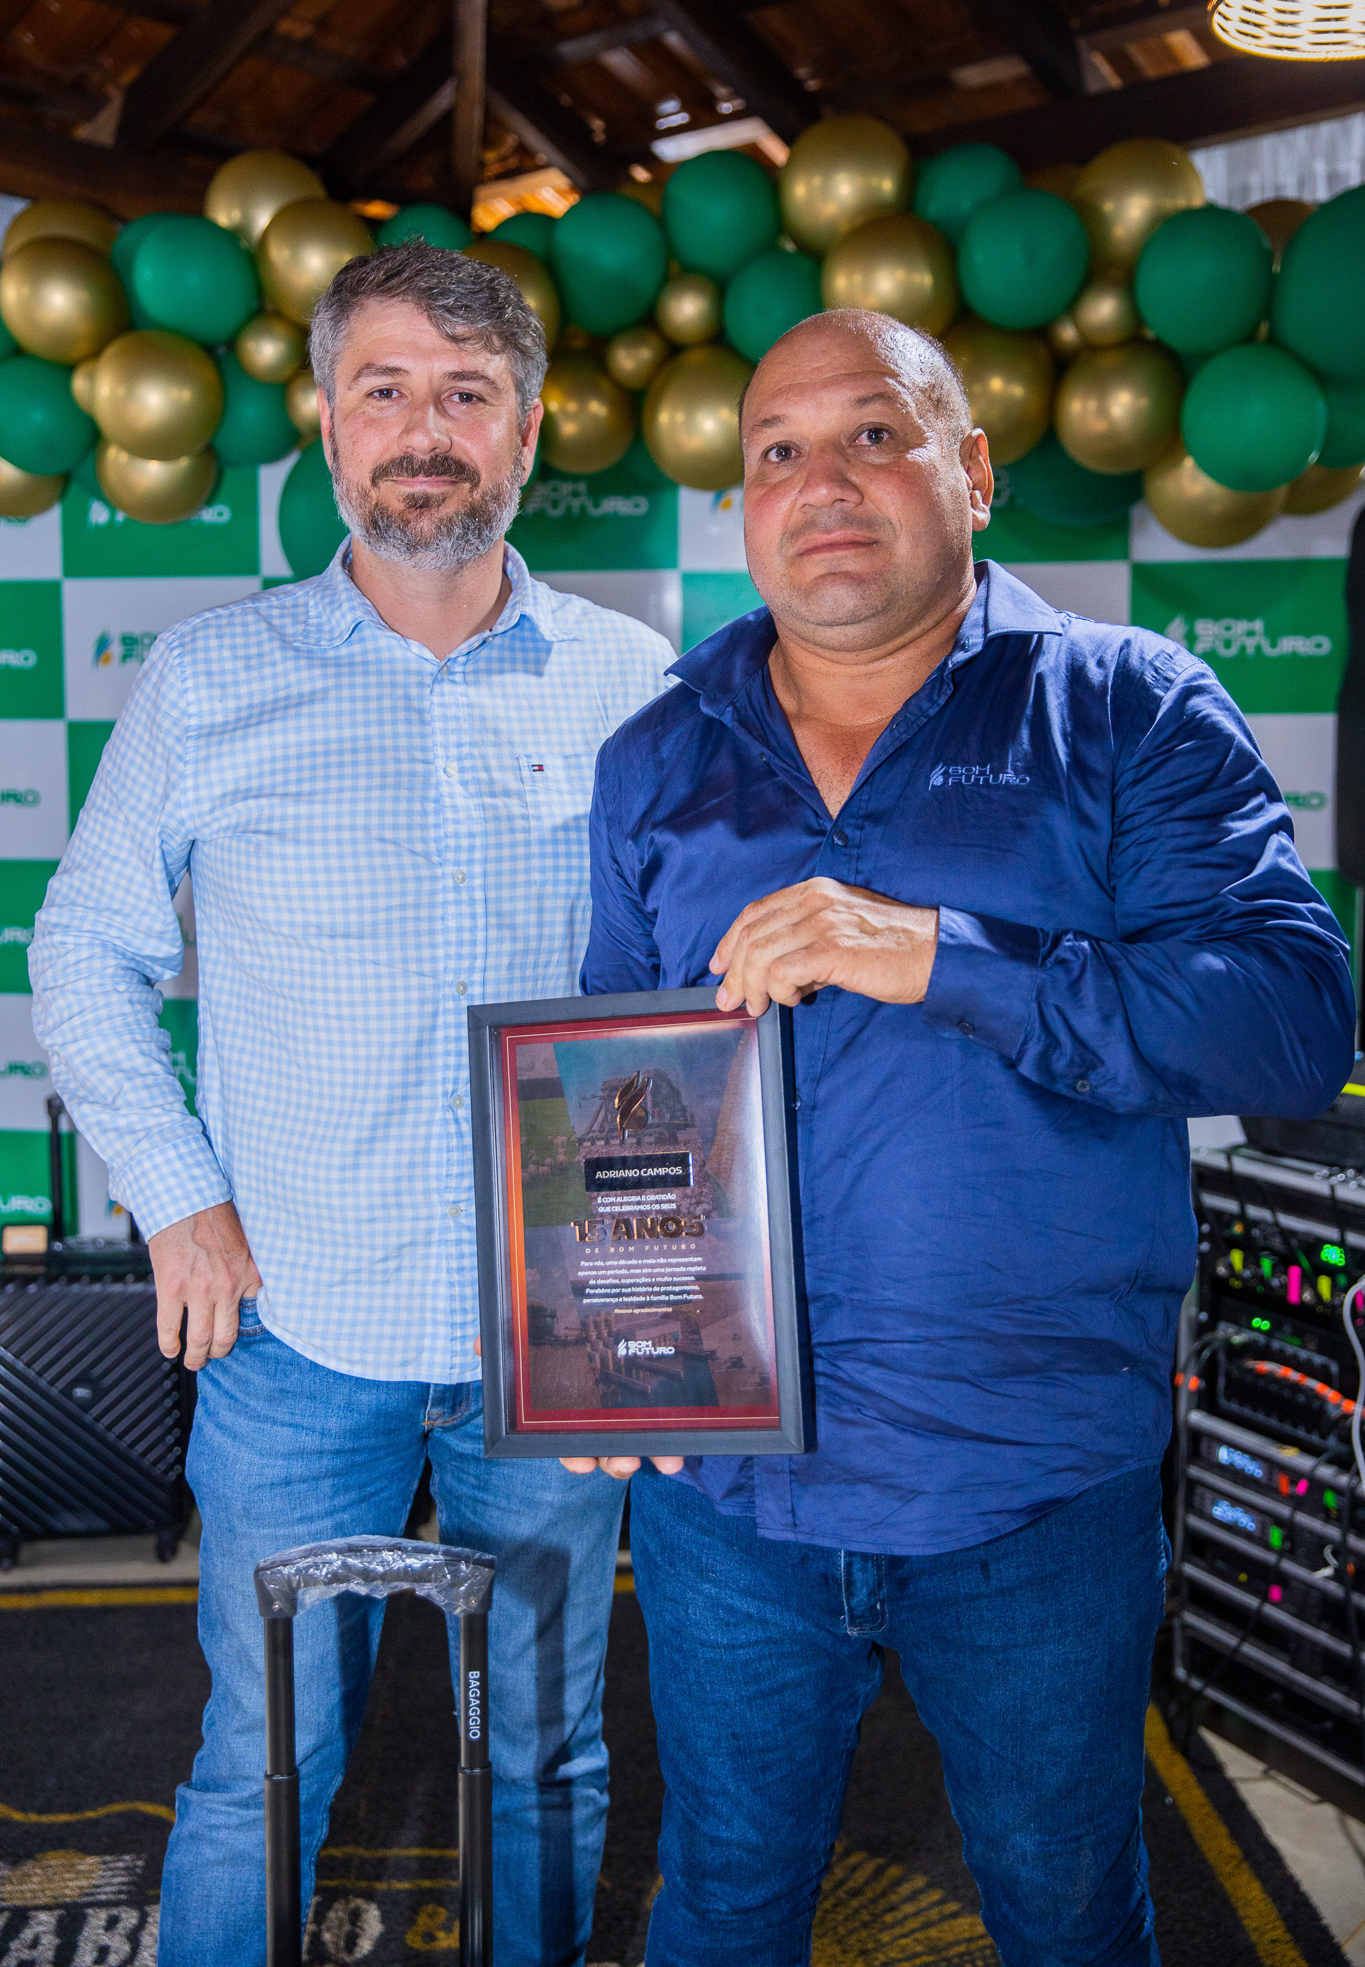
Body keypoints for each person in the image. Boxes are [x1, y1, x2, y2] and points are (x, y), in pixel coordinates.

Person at [568, 307, 1356, 1967]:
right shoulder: (655, 756)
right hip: (733, 1499)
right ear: (742, 503)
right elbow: (626, 1092)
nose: (821, 482)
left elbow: (1289, 1026)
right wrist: (610, 1348)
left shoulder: (1130, 710)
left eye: (874, 433)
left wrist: (941, 957)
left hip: (1034, 1488)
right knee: (720, 1904)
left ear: (972, 471)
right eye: (776, 451)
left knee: (1064, 1913)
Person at [30, 242, 674, 1967]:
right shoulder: (210, 677)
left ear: (527, 431)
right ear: (326, 425)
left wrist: (666, 1289)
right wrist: (177, 1195)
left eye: (466, 394)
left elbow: (685, 1010)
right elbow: (81, 951)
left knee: (544, 1756)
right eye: (383, 389)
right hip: (296, 1325)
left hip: (558, 1340)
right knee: (261, 1768)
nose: (423, 430)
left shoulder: (636, 683)